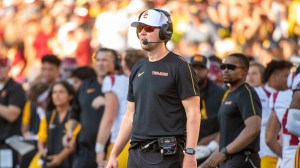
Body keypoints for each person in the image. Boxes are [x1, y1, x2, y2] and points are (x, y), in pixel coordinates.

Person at [106, 8, 201, 168]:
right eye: (140, 28)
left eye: (149, 28)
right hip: (136, 153)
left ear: (164, 32)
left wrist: (190, 154)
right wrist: (114, 154)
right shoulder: (137, 68)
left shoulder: (180, 66)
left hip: (166, 154)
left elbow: (193, 113)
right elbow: (130, 115)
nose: (142, 32)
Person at [201, 53, 262, 168]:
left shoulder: (246, 93)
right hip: (228, 161)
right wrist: (204, 165)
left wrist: (225, 152)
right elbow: (226, 141)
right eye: (223, 67)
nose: (225, 70)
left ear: (244, 71)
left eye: (231, 67)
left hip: (244, 160)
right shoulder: (229, 95)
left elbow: (253, 128)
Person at [63, 48, 120, 168]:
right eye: (98, 60)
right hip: (85, 151)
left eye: (104, 60)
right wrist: (69, 132)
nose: (100, 63)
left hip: (111, 150)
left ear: (115, 63)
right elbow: (75, 112)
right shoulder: (85, 85)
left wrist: (107, 102)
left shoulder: (122, 84)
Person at [95, 49, 146, 167]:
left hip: (121, 143)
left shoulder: (112, 80)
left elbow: (108, 119)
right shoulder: (146, 81)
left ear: (123, 64)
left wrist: (99, 149)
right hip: (144, 143)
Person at [20, 54, 62, 168]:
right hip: (35, 145)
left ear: (58, 71)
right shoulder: (34, 94)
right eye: (44, 69)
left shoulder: (63, 93)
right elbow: (25, 125)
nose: (46, 73)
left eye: (50, 69)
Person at [255, 60, 292, 168]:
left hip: (283, 150)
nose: (289, 80)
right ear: (274, 76)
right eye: (286, 76)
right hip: (264, 152)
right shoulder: (254, 93)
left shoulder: (289, 95)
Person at [190, 54, 225, 165]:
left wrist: (211, 146)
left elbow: (227, 125)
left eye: (201, 68)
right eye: (193, 68)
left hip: (211, 148)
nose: (197, 71)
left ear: (208, 70)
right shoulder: (178, 91)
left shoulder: (220, 93)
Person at [36, 81, 76, 168]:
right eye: (54, 92)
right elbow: (41, 138)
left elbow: (74, 141)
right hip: (50, 162)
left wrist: (59, 158)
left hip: (70, 162)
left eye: (61, 92)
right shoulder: (48, 116)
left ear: (70, 96)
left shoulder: (75, 116)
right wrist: (42, 150)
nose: (57, 96)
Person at [0, 57, 27, 168]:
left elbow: (12, 115)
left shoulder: (16, 88)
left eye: (2, 67)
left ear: (9, 68)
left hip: (7, 143)